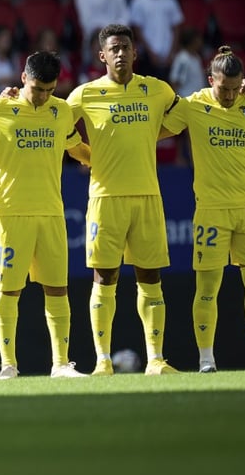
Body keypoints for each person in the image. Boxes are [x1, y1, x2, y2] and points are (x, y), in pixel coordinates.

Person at [0, 51, 92, 378]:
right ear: (23, 78)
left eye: (50, 90)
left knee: (57, 289)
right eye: (38, 89)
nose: (43, 96)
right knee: (8, 291)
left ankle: (61, 364)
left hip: (51, 214)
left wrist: (104, 163)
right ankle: (8, 365)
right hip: (12, 214)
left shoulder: (61, 111)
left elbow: (76, 149)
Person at [158, 47, 245, 372]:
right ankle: (206, 361)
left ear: (243, 82)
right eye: (223, 88)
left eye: (234, 88)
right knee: (207, 289)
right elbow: (156, 131)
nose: (229, 96)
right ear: (210, 79)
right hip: (211, 212)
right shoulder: (192, 105)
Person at [68, 24, 180, 375]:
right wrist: (84, 153)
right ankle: (102, 361)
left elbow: (184, 114)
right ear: (102, 55)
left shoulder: (157, 89)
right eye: (113, 48)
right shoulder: (84, 94)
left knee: (151, 277)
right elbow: (54, 123)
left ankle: (156, 359)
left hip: (147, 196)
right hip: (106, 198)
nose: (120, 53)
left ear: (135, 52)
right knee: (105, 278)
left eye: (125, 47)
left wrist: (150, 134)